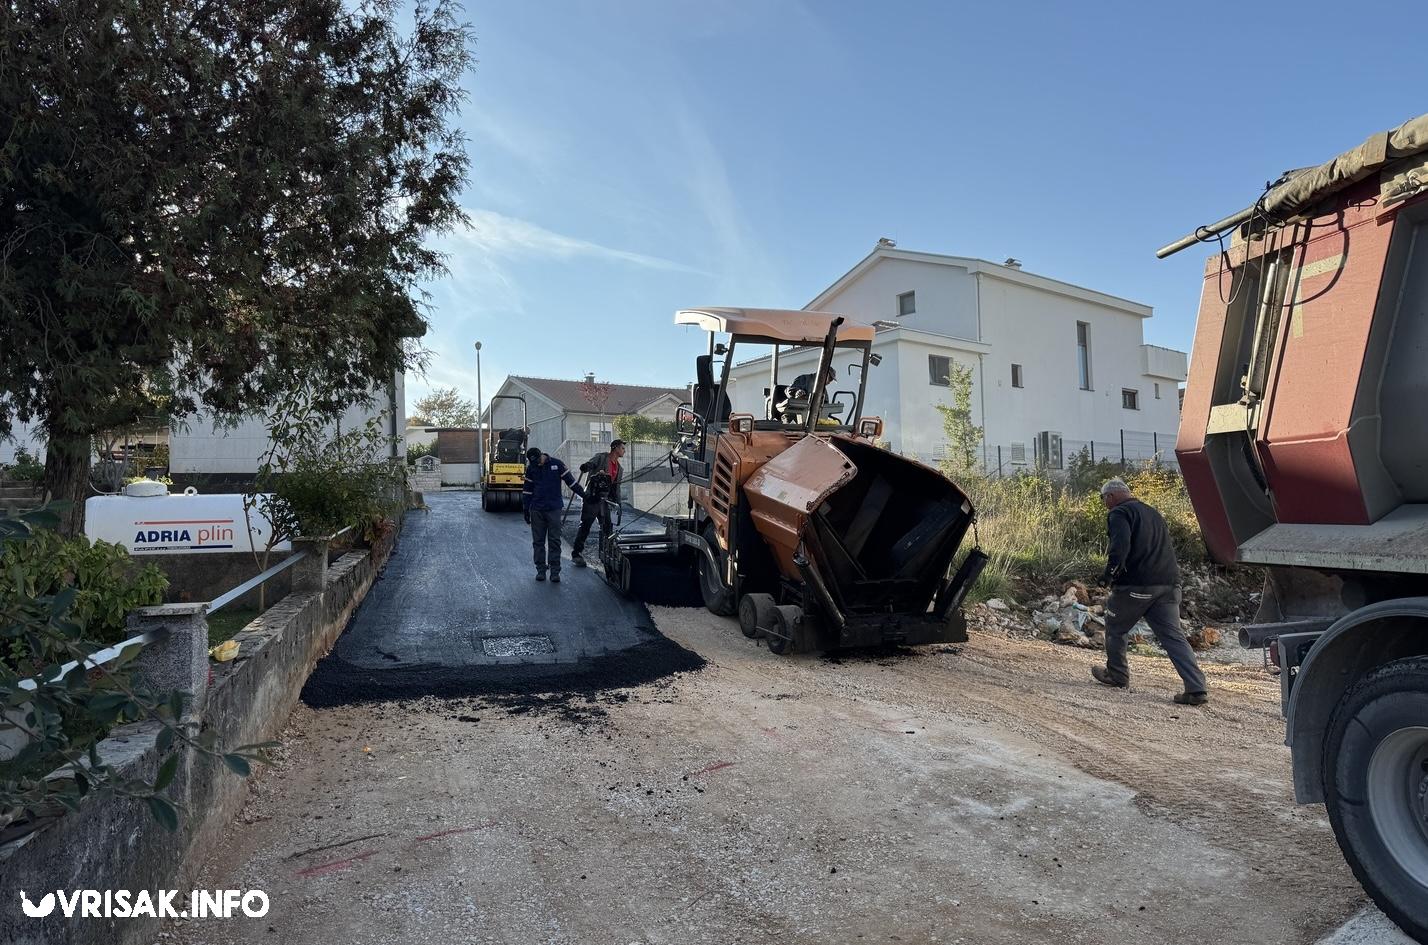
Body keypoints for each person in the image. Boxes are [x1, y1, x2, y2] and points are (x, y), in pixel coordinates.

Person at [1091, 478, 1209, 705]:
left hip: (1137, 585)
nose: (1104, 503)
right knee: (1173, 636)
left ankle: (1117, 674)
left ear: (1110, 496)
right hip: (1169, 585)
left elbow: (1120, 546)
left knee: (1115, 626)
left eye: (1103, 498)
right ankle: (1196, 688)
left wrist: (1109, 575)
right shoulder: (1152, 513)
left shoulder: (1119, 513)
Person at [521, 447, 586, 583]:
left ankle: (555, 571)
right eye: (533, 462)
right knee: (538, 542)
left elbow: (571, 482)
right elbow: (527, 490)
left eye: (537, 461)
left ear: (541, 456)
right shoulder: (531, 468)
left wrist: (585, 495)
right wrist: (526, 509)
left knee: (555, 541)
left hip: (554, 509)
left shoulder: (557, 464)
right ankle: (540, 570)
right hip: (537, 510)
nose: (536, 464)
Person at [572, 438, 625, 568]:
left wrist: (618, 504)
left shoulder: (619, 468)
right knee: (585, 526)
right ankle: (576, 554)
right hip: (592, 498)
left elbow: (616, 487)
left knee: (607, 527)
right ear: (615, 448)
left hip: (605, 501)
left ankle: (606, 553)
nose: (624, 451)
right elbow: (591, 464)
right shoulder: (601, 457)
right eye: (622, 448)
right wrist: (586, 466)